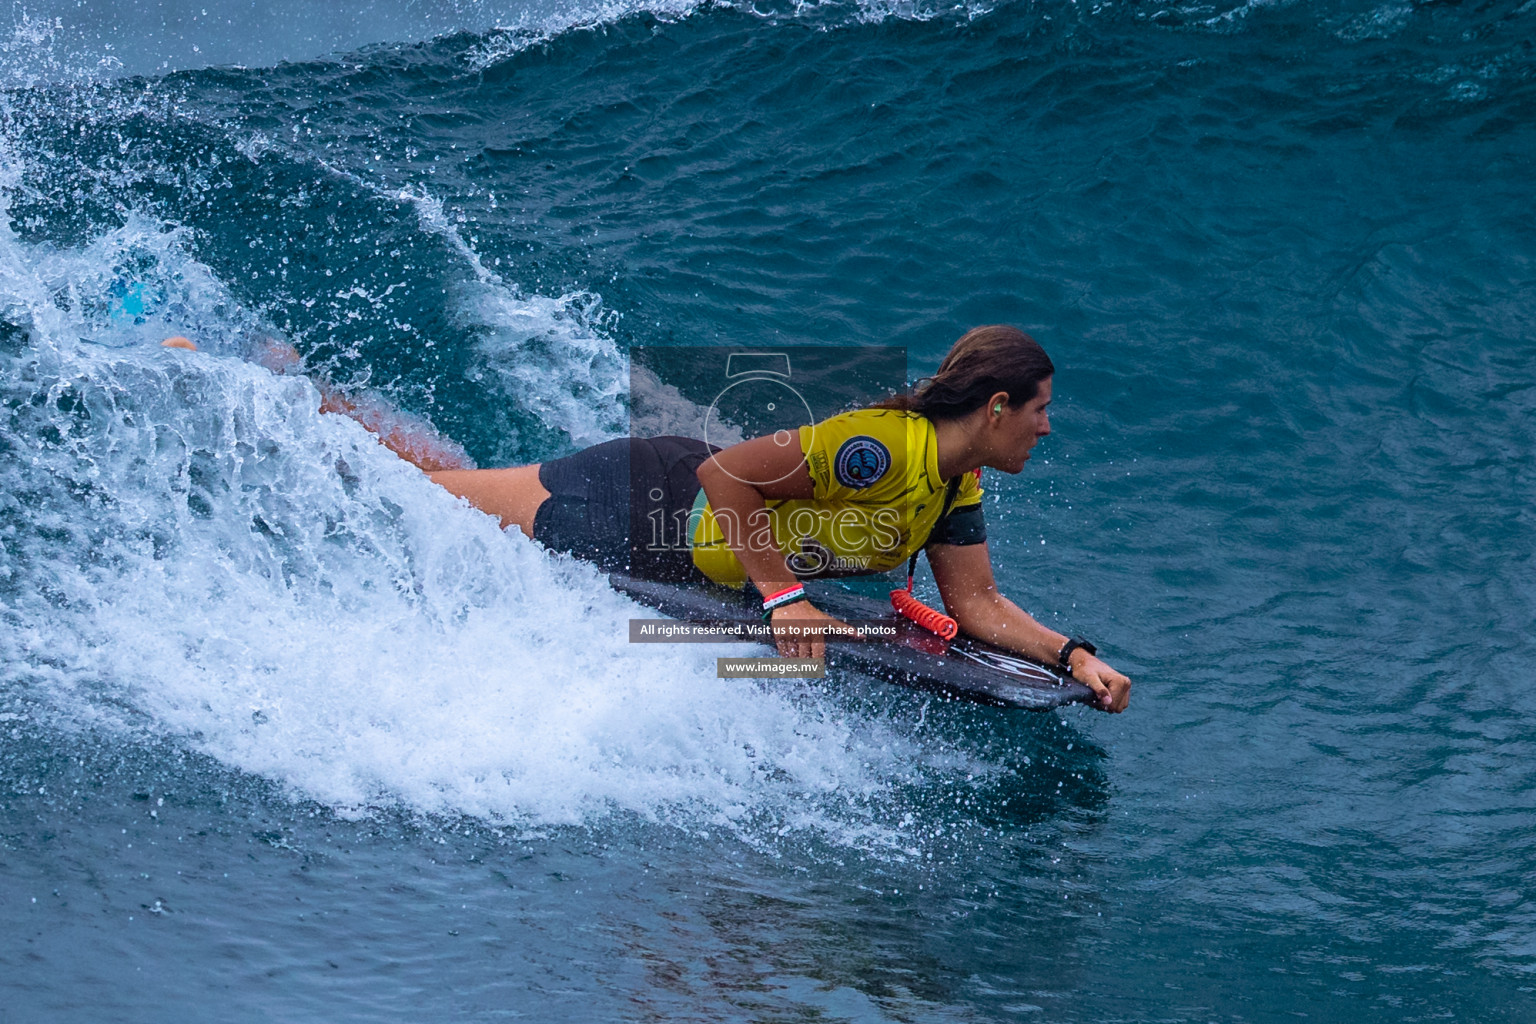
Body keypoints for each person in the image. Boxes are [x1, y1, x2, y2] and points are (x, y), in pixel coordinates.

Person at [215, 326, 1133, 712]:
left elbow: (977, 605)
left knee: (445, 482)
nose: (1050, 430)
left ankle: (306, 394)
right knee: (413, 498)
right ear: (1000, 405)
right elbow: (728, 476)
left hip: (693, 562)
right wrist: (785, 602)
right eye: (1043, 410)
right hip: (643, 506)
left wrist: (1072, 656)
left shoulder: (955, 483)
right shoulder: (880, 448)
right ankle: (255, 399)